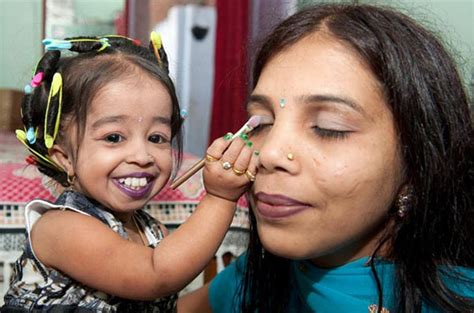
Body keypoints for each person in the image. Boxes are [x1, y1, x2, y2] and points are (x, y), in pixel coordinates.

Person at [177, 3, 474, 313]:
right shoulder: (252, 278)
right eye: (261, 123)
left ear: (416, 168)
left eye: (328, 128)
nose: (269, 153)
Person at [1, 33, 258, 312]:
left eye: (157, 138)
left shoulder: (152, 232)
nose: (142, 156)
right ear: (65, 158)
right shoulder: (61, 229)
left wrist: (237, 284)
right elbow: (157, 276)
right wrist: (220, 198)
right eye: (113, 137)